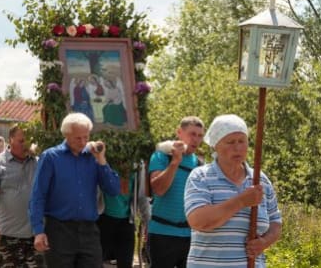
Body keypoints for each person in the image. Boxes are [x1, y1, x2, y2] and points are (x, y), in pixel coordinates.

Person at [184, 114, 282, 268]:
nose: (237, 148)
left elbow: (276, 223)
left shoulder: (260, 180)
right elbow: (198, 221)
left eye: (242, 141)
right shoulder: (201, 177)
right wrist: (241, 201)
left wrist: (264, 241)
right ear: (215, 145)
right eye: (230, 142)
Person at [29, 112, 120, 268]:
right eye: (78, 138)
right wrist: (38, 231)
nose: (83, 141)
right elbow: (38, 195)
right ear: (66, 135)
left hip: (89, 231)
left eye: (86, 137)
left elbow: (113, 189)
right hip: (59, 231)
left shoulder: (94, 157)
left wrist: (102, 160)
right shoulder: (51, 157)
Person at [0, 125, 44, 267]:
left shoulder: (38, 162)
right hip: (9, 235)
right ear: (11, 140)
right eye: (22, 141)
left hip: (36, 235)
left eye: (28, 141)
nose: (26, 145)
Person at [148, 116, 205, 268]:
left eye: (200, 136)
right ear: (179, 133)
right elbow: (159, 189)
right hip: (162, 235)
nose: (196, 140)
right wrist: (175, 163)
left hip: (190, 237)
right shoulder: (161, 156)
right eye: (192, 134)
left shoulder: (199, 165)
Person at [97, 161, 150, 268]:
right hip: (103, 218)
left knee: (126, 262)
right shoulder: (103, 160)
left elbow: (142, 195)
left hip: (126, 220)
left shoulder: (138, 165)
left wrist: (147, 221)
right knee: (96, 261)